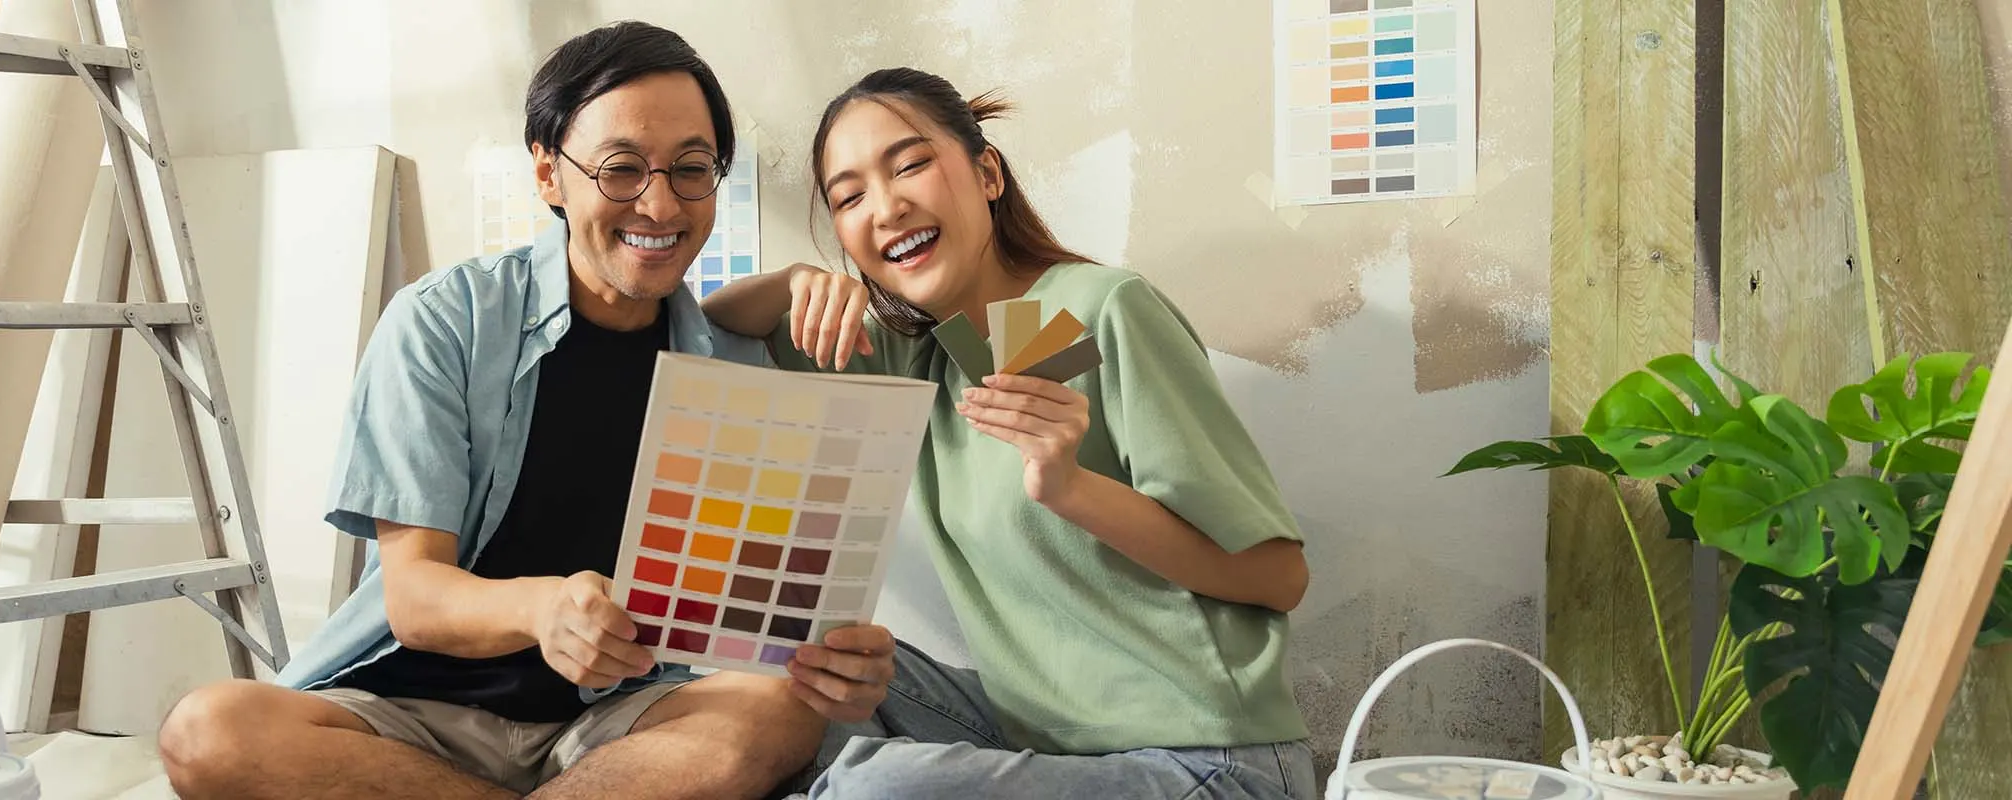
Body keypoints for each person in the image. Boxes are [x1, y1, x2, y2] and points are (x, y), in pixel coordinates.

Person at [156, 23, 898, 800]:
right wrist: (544, 608)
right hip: (412, 716)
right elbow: (413, 597)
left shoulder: (726, 360)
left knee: (786, 709)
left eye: (691, 169)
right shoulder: (447, 322)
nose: (659, 202)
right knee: (209, 733)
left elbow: (760, 606)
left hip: (621, 716)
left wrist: (830, 661)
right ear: (549, 173)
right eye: (620, 170)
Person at [701, 67, 1321, 799]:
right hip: (1041, 740)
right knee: (803, 669)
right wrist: (794, 283)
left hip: (1205, 759)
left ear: (986, 172)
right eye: (849, 197)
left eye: (910, 165)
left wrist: (1073, 489)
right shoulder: (920, 355)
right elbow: (711, 335)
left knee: (880, 789)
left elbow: (1279, 578)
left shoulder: (1099, 311)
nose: (887, 206)